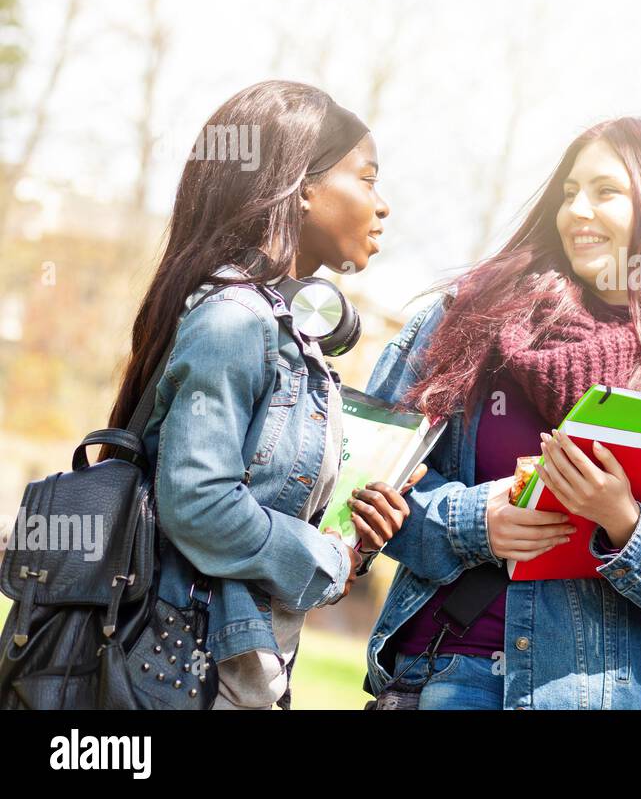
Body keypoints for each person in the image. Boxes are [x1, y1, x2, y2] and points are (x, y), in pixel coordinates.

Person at [363, 117, 641, 709]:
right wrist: (475, 523)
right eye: (570, 192)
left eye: (606, 191)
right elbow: (366, 486)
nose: (578, 211)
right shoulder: (469, 320)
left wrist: (622, 522)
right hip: (442, 673)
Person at [112, 80, 418, 709]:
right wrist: (323, 559)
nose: (382, 206)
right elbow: (199, 503)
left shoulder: (275, 332)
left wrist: (354, 538)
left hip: (240, 674)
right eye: (367, 179)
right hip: (179, 680)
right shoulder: (235, 321)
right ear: (304, 187)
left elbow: (260, 498)